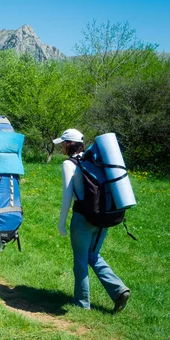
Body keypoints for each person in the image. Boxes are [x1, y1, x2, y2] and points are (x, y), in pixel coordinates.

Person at [54, 128, 130, 312]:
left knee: (80, 260)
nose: (61, 147)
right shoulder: (96, 161)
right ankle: (119, 290)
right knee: (93, 255)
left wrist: (61, 222)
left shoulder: (69, 164)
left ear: (69, 144)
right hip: (103, 216)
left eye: (62, 143)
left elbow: (67, 196)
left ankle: (81, 304)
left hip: (83, 218)